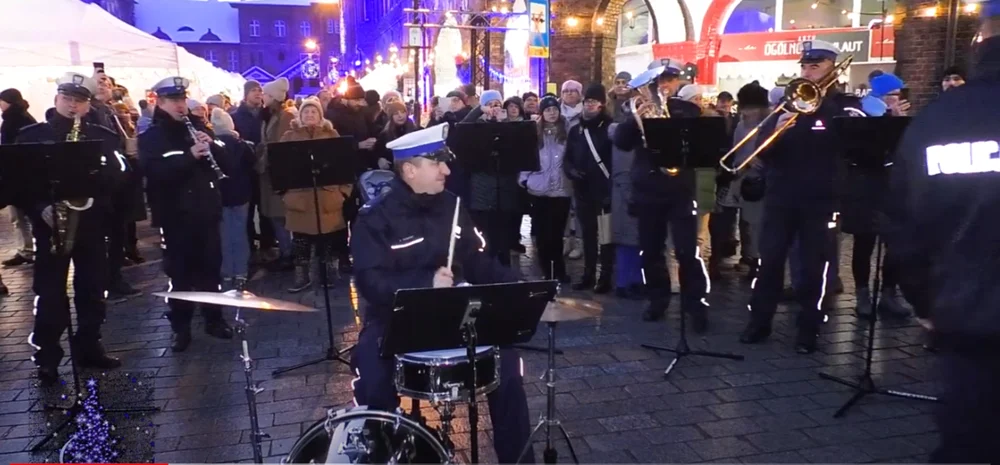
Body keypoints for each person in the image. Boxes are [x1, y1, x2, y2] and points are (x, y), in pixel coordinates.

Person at [350, 124, 534, 464]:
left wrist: (520, 289)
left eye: (445, 161)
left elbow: (477, 260)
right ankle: (383, 454)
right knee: (373, 377)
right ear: (409, 170)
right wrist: (425, 282)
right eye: (437, 163)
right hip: (395, 319)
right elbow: (369, 282)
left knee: (508, 368)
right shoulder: (375, 218)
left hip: (453, 312)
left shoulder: (452, 205)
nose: (447, 170)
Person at [885, 4, 1000, 462]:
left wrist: (925, 303)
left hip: (967, 320)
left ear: (982, 37)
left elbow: (905, 224)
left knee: (967, 444)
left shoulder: (938, 119)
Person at [738, 40, 865, 354]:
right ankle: (759, 322)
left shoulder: (842, 107)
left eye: (816, 65)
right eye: (805, 66)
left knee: (812, 267)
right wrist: (775, 131)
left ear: (833, 67)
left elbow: (852, 147)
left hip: (819, 199)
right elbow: (762, 154)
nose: (808, 71)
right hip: (781, 197)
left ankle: (809, 327)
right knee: (769, 263)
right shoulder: (785, 106)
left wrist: (821, 111)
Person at [16, 72, 126, 384]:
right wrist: (41, 208)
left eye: (79, 100)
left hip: (90, 223)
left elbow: (120, 174)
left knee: (93, 289)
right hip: (51, 224)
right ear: (56, 100)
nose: (72, 105)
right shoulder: (32, 136)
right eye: (67, 98)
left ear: (89, 105)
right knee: (50, 294)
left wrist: (98, 182)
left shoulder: (103, 136)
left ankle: (89, 346)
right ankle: (47, 357)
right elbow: (19, 183)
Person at [614, 58, 710, 329]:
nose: (663, 86)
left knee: (687, 252)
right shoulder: (635, 109)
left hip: (680, 190)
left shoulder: (688, 110)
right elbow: (621, 142)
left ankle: (695, 304)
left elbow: (702, 146)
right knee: (651, 251)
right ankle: (657, 299)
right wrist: (635, 120)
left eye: (669, 80)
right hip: (648, 189)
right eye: (658, 81)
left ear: (678, 81)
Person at [139, 76, 233, 352]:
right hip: (175, 216)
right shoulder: (151, 138)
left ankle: (214, 319)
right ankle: (181, 326)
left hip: (206, 212)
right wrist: (189, 156)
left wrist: (212, 145)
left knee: (211, 271)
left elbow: (227, 162)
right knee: (179, 274)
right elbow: (154, 174)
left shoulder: (198, 127)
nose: (180, 106)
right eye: (174, 101)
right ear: (161, 102)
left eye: (182, 100)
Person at [278, 97, 353, 293]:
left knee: (327, 242)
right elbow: (278, 168)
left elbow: (345, 166)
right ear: (300, 115)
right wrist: (284, 194)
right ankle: (301, 277)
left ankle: (327, 274)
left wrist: (343, 193)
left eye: (313, 112)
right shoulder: (289, 136)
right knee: (301, 242)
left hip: (327, 199)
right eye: (306, 112)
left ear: (320, 115)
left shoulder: (332, 135)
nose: (309, 115)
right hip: (299, 200)